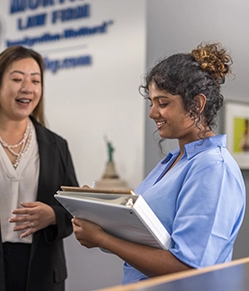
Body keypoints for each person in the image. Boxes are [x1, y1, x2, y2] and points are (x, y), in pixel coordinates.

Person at [72, 43, 246, 284]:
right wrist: (98, 211)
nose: (152, 113)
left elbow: (190, 267)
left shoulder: (213, 168)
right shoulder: (173, 161)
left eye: (163, 103)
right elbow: (145, 232)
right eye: (152, 103)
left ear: (197, 104)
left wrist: (102, 238)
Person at [0, 45, 78, 291]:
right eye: (16, 79)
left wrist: (54, 215)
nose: (27, 88)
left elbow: (75, 210)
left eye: (35, 80)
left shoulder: (56, 146)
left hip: (42, 273)